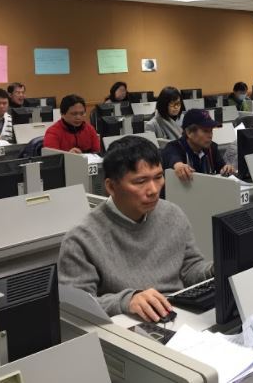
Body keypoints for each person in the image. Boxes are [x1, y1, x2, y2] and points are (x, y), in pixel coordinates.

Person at [58, 136, 211, 320]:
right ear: (111, 187)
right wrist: (126, 301)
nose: (153, 190)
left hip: (178, 316)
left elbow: (191, 268)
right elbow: (76, 307)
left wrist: (216, 270)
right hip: (128, 325)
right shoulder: (81, 239)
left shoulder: (173, 214)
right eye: (140, 181)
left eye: (158, 177)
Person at [161, 109, 235, 184]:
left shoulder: (212, 147)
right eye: (205, 131)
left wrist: (226, 169)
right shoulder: (174, 147)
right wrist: (178, 165)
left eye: (211, 131)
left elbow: (221, 167)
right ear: (189, 132)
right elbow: (172, 157)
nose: (210, 135)